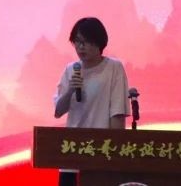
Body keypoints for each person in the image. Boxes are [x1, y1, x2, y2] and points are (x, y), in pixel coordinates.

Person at [52, 17, 130, 186]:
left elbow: (117, 114)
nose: (81, 47)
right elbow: (58, 111)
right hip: (72, 154)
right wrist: (70, 90)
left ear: (99, 43)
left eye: (86, 42)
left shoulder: (113, 68)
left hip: (101, 153)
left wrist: (116, 152)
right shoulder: (71, 70)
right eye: (77, 41)